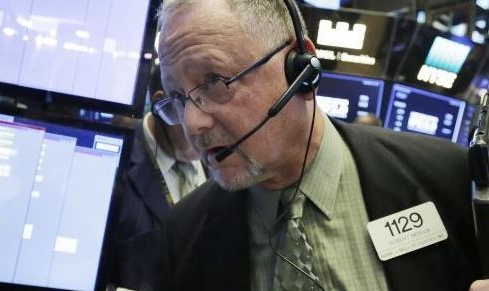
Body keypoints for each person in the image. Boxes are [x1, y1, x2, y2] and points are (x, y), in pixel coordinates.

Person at [155, 0, 487, 290]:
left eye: (214, 81)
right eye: (177, 98)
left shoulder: (448, 178)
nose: (192, 123)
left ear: (301, 68)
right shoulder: (183, 237)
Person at [109, 66, 206, 290]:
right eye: (195, 106)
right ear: (164, 106)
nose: (205, 126)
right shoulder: (112, 165)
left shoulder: (223, 163)